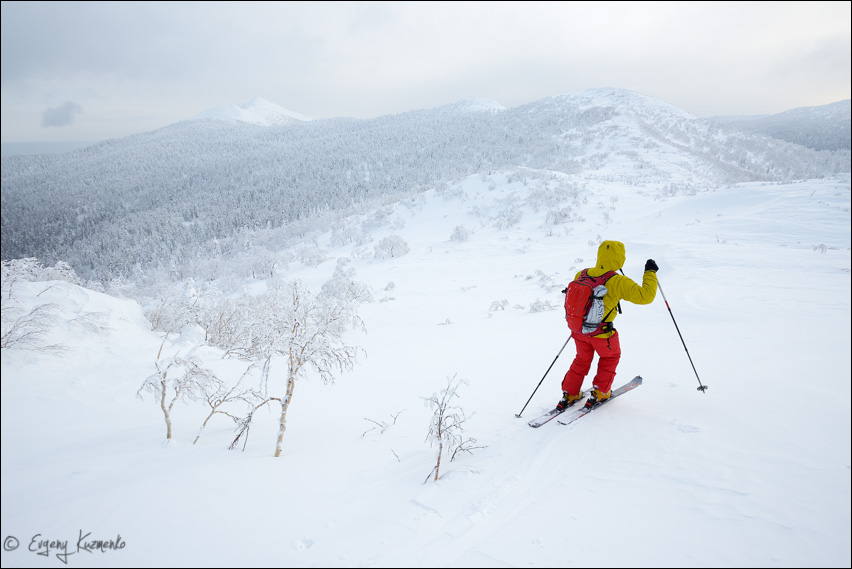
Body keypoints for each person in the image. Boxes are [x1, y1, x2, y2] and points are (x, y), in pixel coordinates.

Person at [557, 240, 658, 410]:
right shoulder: (617, 280)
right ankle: (601, 392)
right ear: (620, 259)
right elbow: (645, 296)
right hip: (602, 334)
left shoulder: (582, 274)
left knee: (581, 359)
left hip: (579, 331)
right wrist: (650, 273)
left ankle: (570, 393)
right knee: (610, 357)